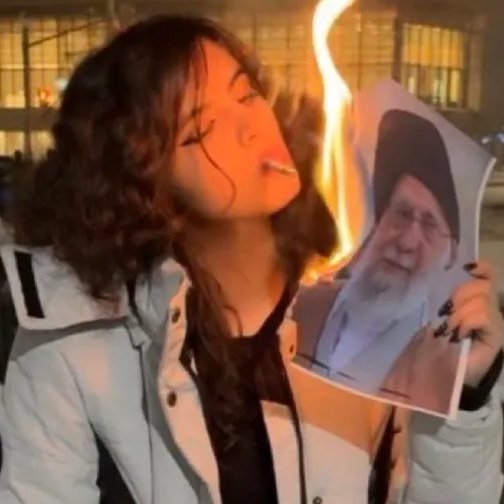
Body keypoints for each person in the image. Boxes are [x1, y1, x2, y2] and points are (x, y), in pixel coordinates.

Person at [0, 15, 502, 504]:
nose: (251, 126)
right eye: (202, 128)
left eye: (246, 94)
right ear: (143, 179)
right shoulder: (70, 345)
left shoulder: (365, 307)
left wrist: (465, 395)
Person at [296, 110, 467, 411]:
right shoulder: (300, 304)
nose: (407, 242)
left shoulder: (445, 365)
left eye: (429, 225)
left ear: (450, 253)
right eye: (401, 213)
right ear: (376, 221)